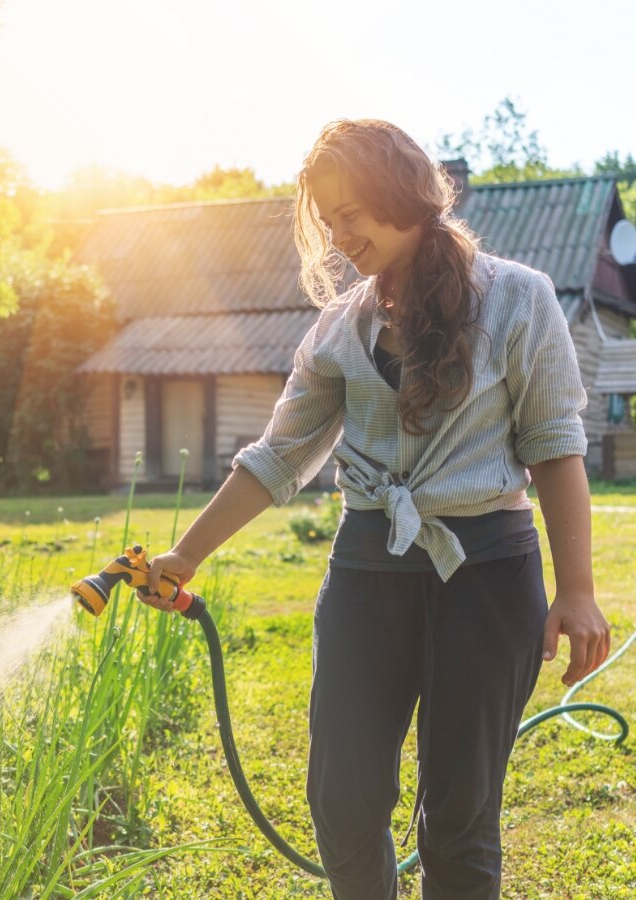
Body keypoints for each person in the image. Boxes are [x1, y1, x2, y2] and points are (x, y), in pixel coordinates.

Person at [140, 119, 611, 899]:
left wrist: (579, 590)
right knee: (343, 797)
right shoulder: (339, 328)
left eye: (351, 211)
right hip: (367, 572)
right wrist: (186, 555)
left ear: (405, 193)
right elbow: (278, 456)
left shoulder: (521, 299)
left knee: (459, 815)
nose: (339, 234)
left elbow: (556, 449)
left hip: (487, 574)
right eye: (328, 220)